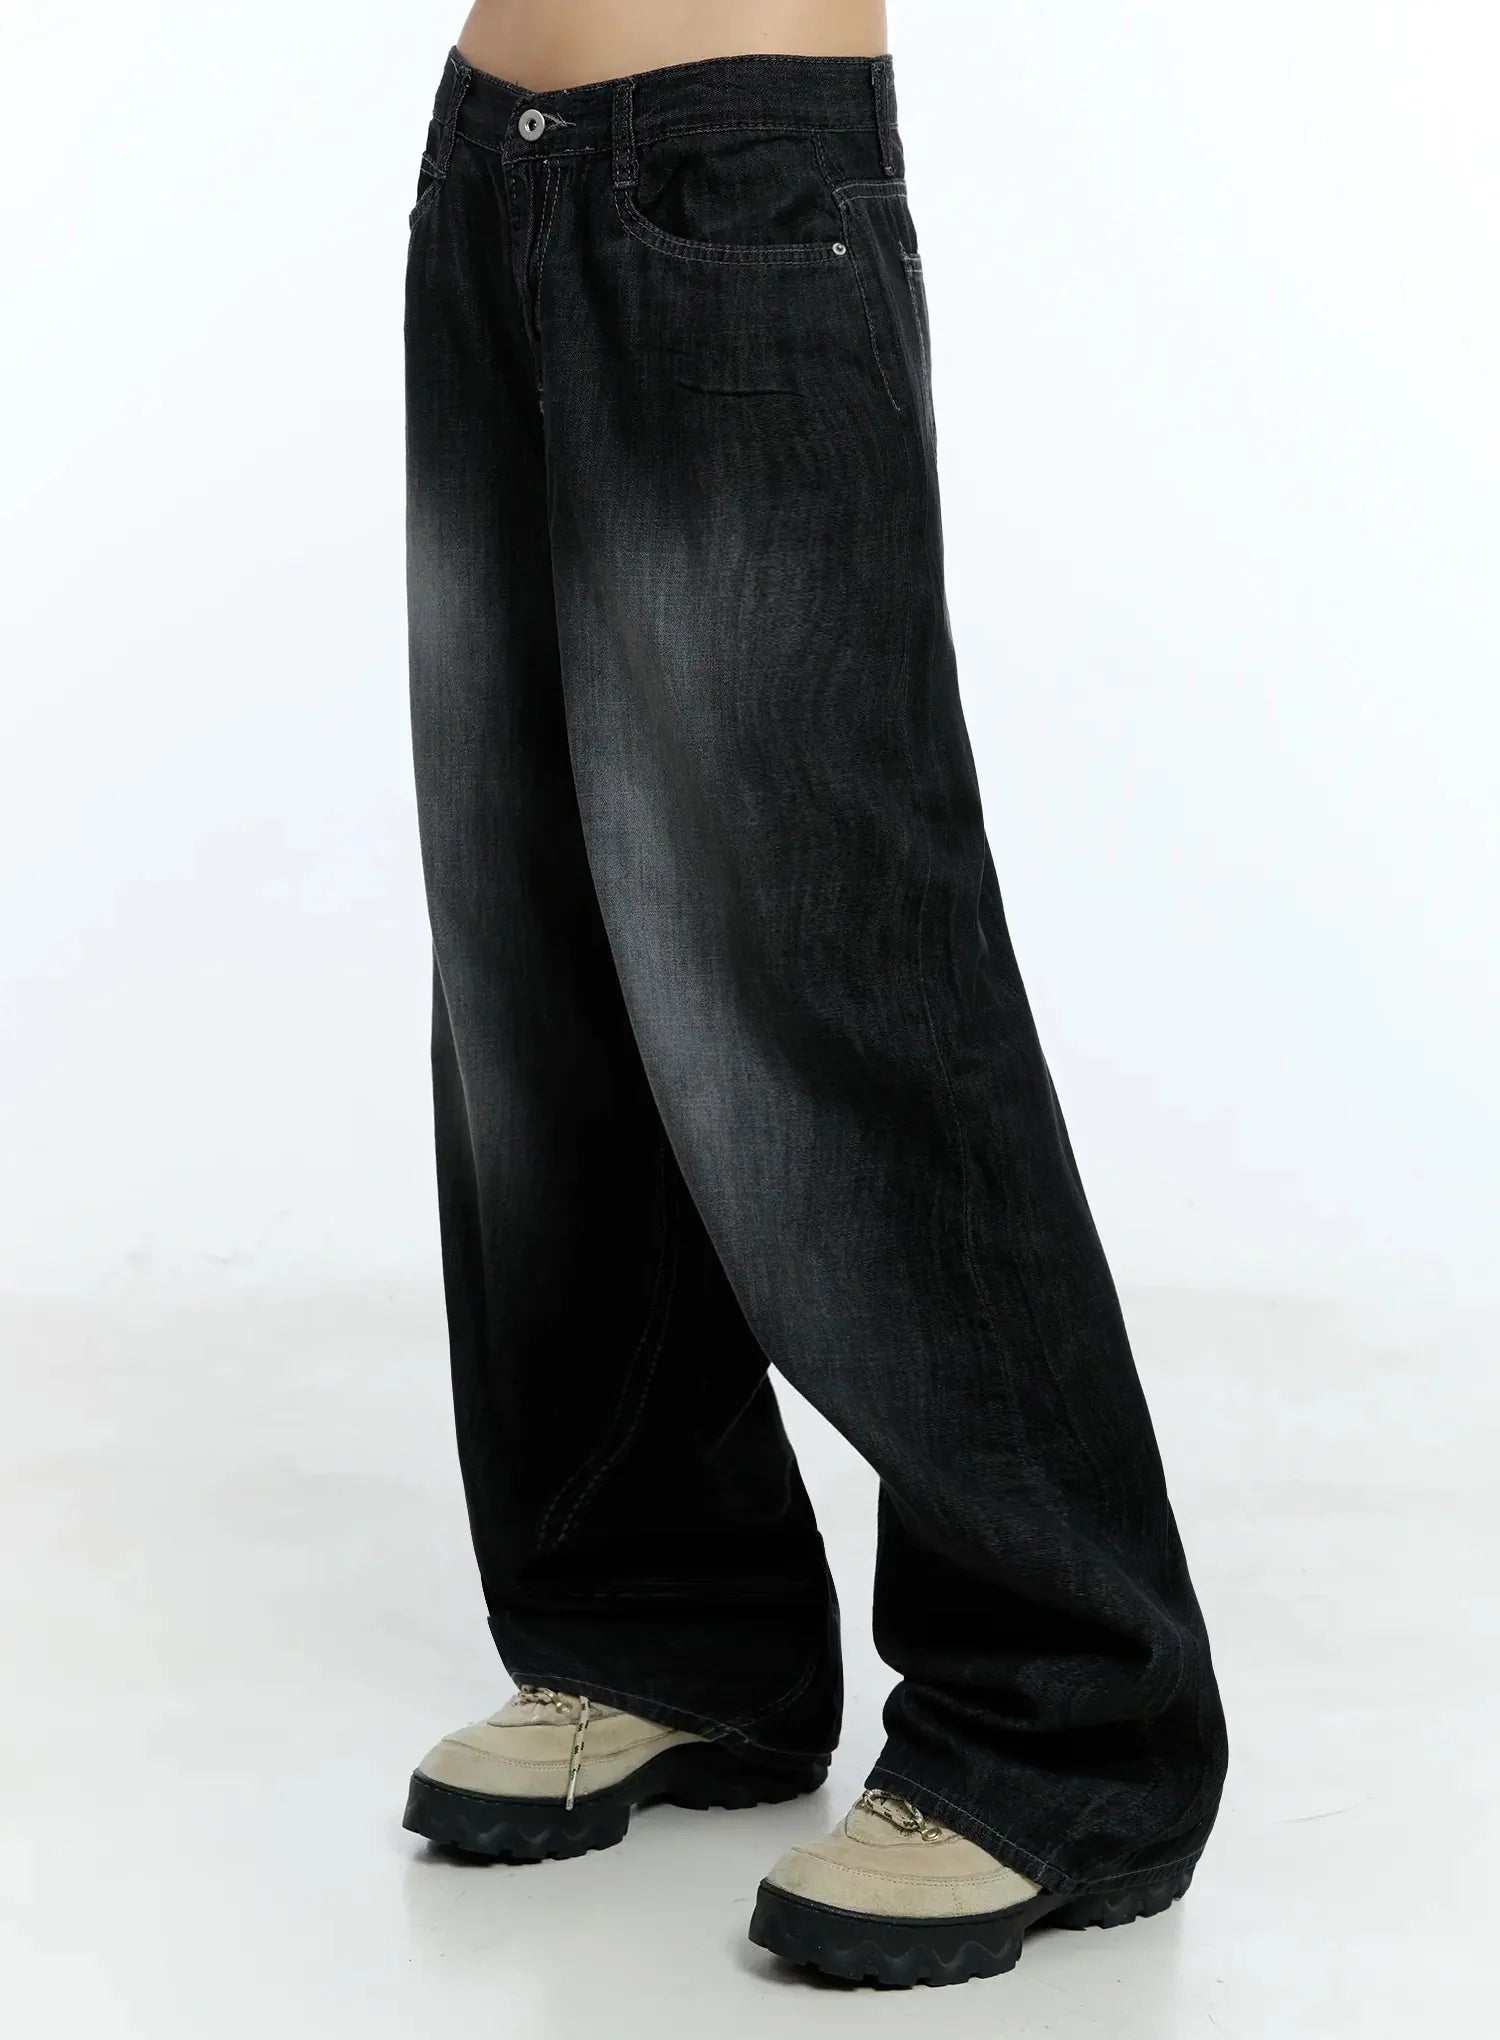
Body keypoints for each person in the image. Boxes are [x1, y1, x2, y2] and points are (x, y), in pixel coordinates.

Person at [400, 0, 1227, 1990]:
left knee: (829, 971)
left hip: (741, 190)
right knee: (539, 970)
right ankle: (667, 1632)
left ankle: (1068, 1724)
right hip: (495, 167)